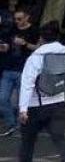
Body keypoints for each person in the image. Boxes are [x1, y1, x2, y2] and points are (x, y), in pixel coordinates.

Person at [18, 21, 65, 162]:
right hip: (58, 102)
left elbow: (27, 84)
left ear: (41, 38)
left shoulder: (36, 57)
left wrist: (23, 109)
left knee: (28, 142)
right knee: (60, 140)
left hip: (36, 105)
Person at [2, 9, 38, 137]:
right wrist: (4, 47)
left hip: (24, 69)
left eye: (20, 19)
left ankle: (20, 127)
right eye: (15, 19)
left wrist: (25, 43)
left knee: (21, 101)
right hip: (8, 68)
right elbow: (6, 44)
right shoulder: (12, 29)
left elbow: (38, 48)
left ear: (27, 17)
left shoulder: (34, 30)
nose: (17, 22)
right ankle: (12, 124)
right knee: (2, 99)